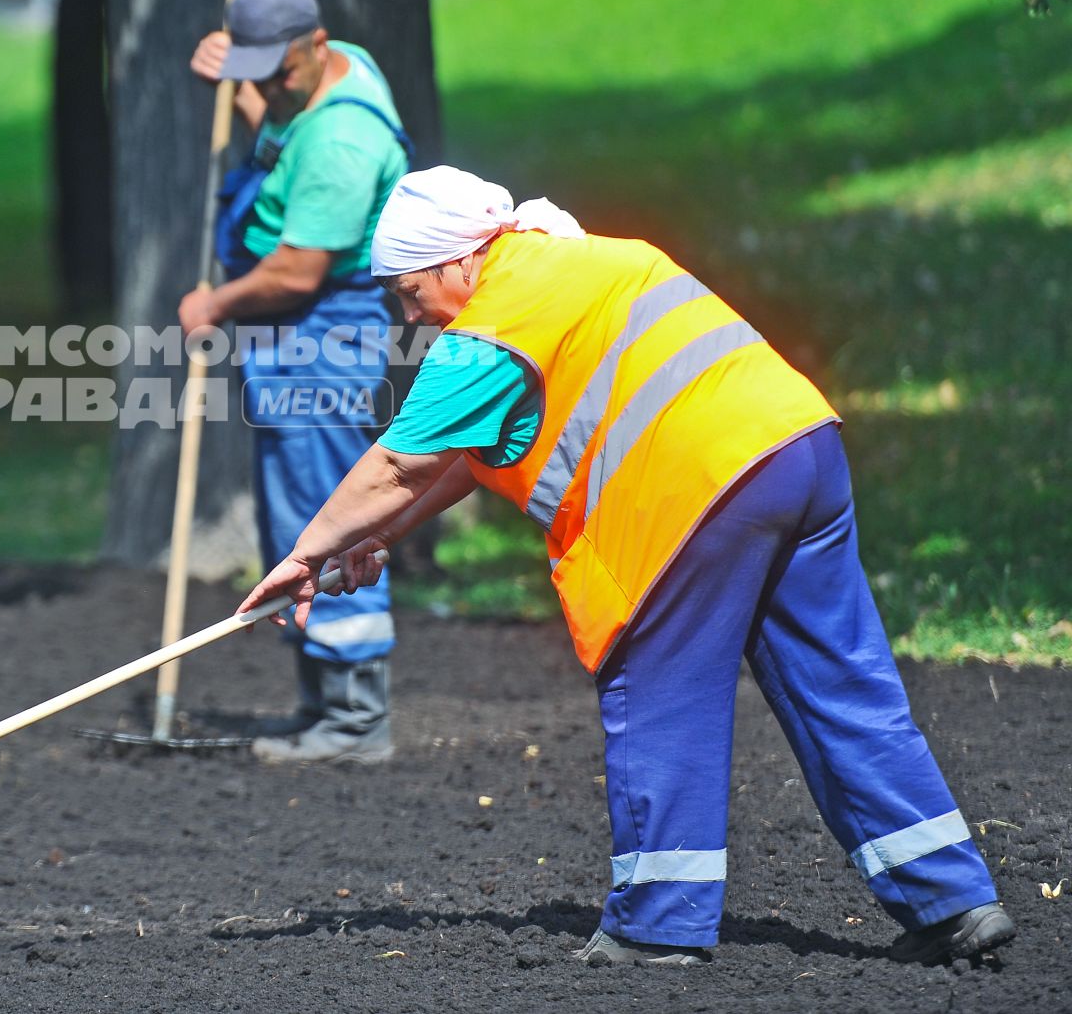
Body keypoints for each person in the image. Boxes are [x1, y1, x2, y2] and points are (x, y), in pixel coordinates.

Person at [238, 164, 1018, 966]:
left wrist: (304, 553)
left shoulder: (491, 325)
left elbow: (398, 464)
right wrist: (373, 537)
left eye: (409, 291)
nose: (410, 315)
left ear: (459, 259)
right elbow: (464, 463)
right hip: (800, 451)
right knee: (842, 685)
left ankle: (657, 924)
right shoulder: (582, 264)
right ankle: (952, 900)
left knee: (658, 691)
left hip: (696, 494)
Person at [183, 0, 411, 763]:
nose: (266, 91)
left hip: (319, 330)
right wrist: (239, 82)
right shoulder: (331, 69)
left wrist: (213, 304)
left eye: (276, 74)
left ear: (315, 45)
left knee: (327, 508)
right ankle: (323, 702)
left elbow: (295, 271)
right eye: (255, 74)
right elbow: (283, 129)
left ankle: (354, 719)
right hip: (290, 334)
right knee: (298, 510)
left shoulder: (343, 145)